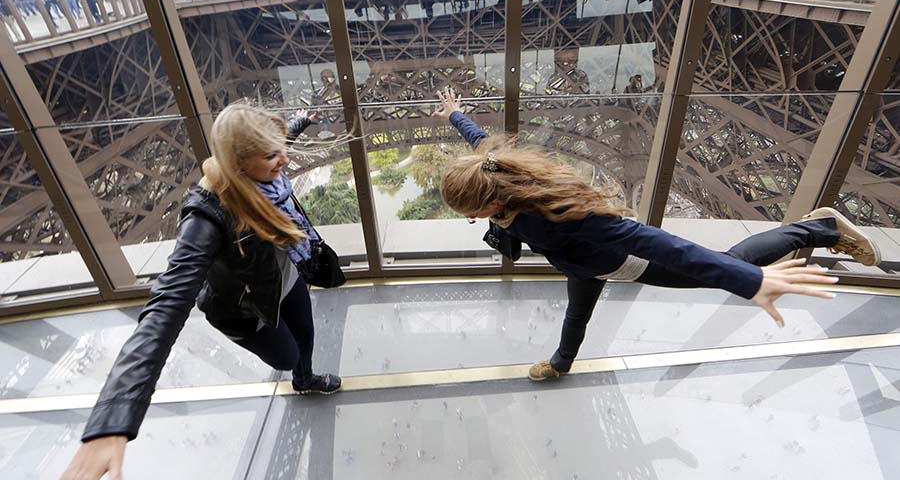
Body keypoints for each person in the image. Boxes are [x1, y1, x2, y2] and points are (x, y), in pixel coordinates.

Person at [431, 87, 879, 381]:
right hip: (581, 263)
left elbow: (661, 245)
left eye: (472, 213)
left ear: (491, 201)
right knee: (576, 316)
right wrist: (455, 114)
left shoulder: (565, 215)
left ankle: (818, 228)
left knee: (729, 261)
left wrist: (752, 283)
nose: (472, 220)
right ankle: (562, 363)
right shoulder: (494, 174)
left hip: (620, 261)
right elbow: (481, 143)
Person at [60, 104, 342, 480]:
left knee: (305, 337)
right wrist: (112, 419)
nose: (285, 159)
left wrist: (301, 121)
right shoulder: (209, 213)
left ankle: (305, 381)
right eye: (272, 154)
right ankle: (296, 371)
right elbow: (167, 304)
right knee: (287, 355)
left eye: (281, 148)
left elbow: (277, 142)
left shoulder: (264, 175)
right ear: (239, 163)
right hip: (243, 308)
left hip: (284, 279)